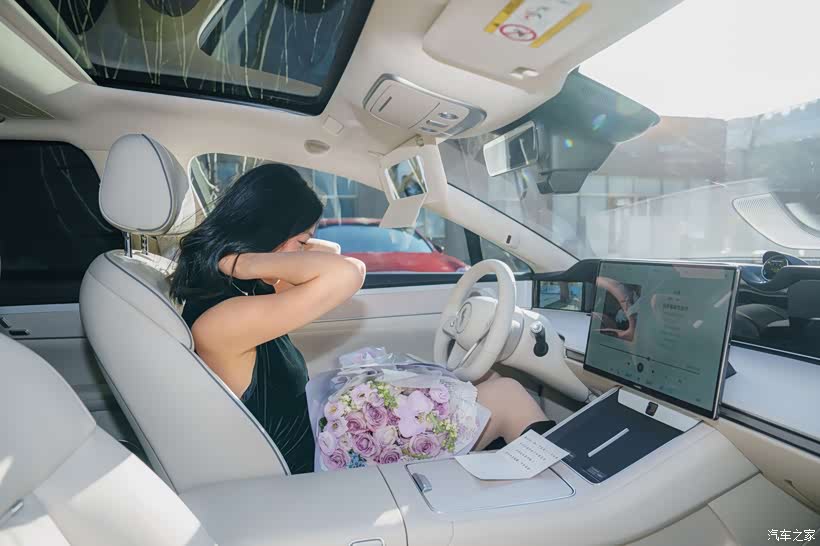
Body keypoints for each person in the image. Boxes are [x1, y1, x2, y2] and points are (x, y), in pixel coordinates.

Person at [170, 163, 552, 474]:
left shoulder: (243, 293)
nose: (305, 250)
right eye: (301, 241)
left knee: (488, 380)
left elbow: (331, 254)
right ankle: (566, 497)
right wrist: (243, 260)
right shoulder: (224, 320)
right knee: (508, 395)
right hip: (321, 465)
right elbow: (347, 272)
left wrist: (249, 257)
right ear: (267, 231)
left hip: (324, 438)